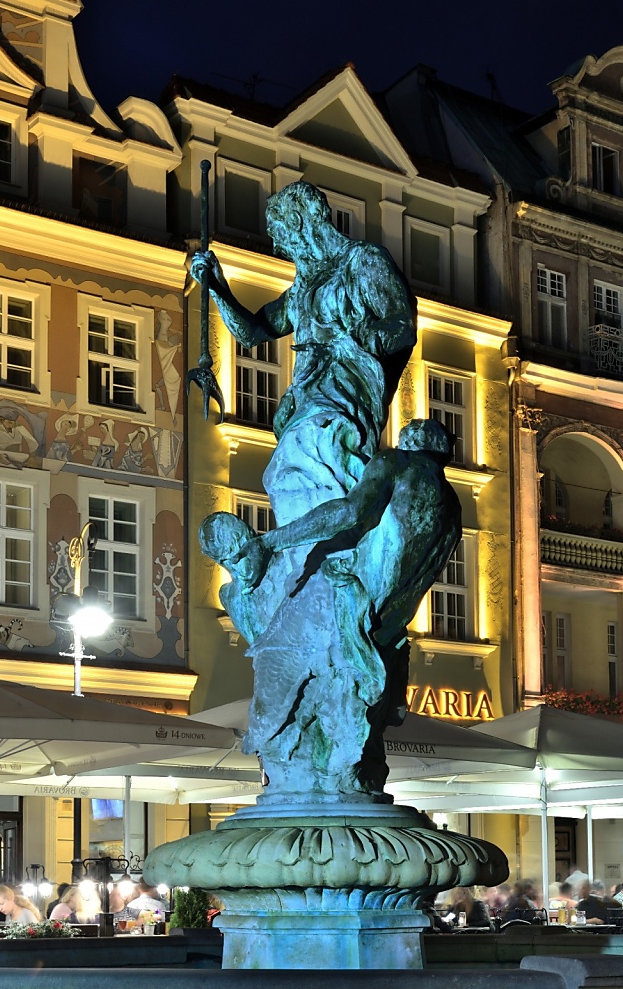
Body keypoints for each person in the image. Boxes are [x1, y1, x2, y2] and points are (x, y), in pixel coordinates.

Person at [204, 419, 461, 795]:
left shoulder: (398, 464)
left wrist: (272, 541)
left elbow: (347, 513)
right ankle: (333, 761)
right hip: (384, 620)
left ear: (408, 443)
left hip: (347, 593)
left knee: (285, 665)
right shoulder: (453, 507)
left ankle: (291, 755)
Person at [191, 180, 416, 532]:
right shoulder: (302, 290)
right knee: (282, 474)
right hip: (306, 396)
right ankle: (304, 555)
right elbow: (251, 333)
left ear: (300, 223)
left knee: (324, 454)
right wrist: (218, 288)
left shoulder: (364, 262)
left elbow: (403, 327)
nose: (278, 246)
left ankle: (337, 542)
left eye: (279, 233)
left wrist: (355, 341)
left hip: (346, 391)